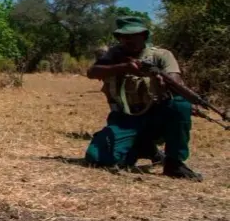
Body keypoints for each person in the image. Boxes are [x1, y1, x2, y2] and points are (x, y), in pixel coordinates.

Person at [84, 16, 202, 181]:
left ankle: (174, 162)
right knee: (96, 158)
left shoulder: (161, 55)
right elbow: (92, 72)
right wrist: (123, 68)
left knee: (180, 104)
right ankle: (145, 148)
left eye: (133, 36)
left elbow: (175, 82)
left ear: (144, 36)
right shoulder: (113, 55)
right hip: (124, 119)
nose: (128, 40)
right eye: (124, 36)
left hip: (155, 116)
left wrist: (162, 82)